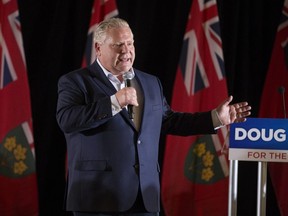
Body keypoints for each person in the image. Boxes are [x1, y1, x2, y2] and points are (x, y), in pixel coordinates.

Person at [56, 17, 251, 216]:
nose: (126, 50)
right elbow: (67, 120)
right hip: (98, 198)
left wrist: (215, 118)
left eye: (130, 43)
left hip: (144, 196)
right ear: (98, 48)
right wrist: (114, 102)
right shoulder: (76, 81)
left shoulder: (149, 82)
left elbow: (168, 120)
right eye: (118, 45)